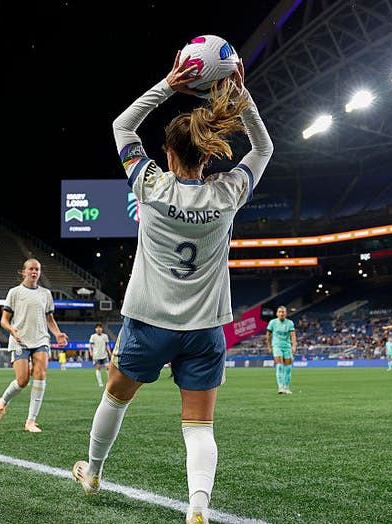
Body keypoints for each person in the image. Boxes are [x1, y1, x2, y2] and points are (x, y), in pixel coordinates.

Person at [71, 51, 272, 524]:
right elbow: (262, 151)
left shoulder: (151, 188)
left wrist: (167, 85)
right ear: (208, 154)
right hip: (205, 329)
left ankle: (94, 472)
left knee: (114, 400)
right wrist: (243, 101)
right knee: (199, 426)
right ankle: (197, 507)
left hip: (148, 321)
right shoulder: (227, 194)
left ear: (167, 153)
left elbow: (123, 127)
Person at [0, 258, 69, 433]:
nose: (34, 272)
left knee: (41, 373)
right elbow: (4, 319)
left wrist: (57, 334)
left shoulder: (46, 294)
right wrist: (11, 329)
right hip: (20, 341)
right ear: (24, 271)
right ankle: (3, 401)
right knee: (22, 380)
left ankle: (31, 421)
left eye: (37, 269)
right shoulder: (15, 292)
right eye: (31, 269)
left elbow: (50, 319)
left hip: (41, 339)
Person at [266, 306, 296, 394]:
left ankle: (287, 387)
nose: (281, 313)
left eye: (283, 312)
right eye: (280, 312)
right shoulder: (273, 322)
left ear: (286, 313)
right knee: (279, 366)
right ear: (277, 313)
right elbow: (268, 335)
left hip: (287, 346)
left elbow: (293, 335)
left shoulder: (290, 323)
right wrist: (269, 346)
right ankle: (280, 387)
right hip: (277, 346)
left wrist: (293, 346)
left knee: (288, 368)